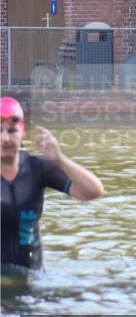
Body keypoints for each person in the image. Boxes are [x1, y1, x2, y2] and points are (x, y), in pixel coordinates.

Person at [1, 97, 105, 274]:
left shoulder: (38, 168)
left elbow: (94, 191)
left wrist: (60, 159)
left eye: (12, 131)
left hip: (32, 278)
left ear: (23, 133)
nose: (5, 138)